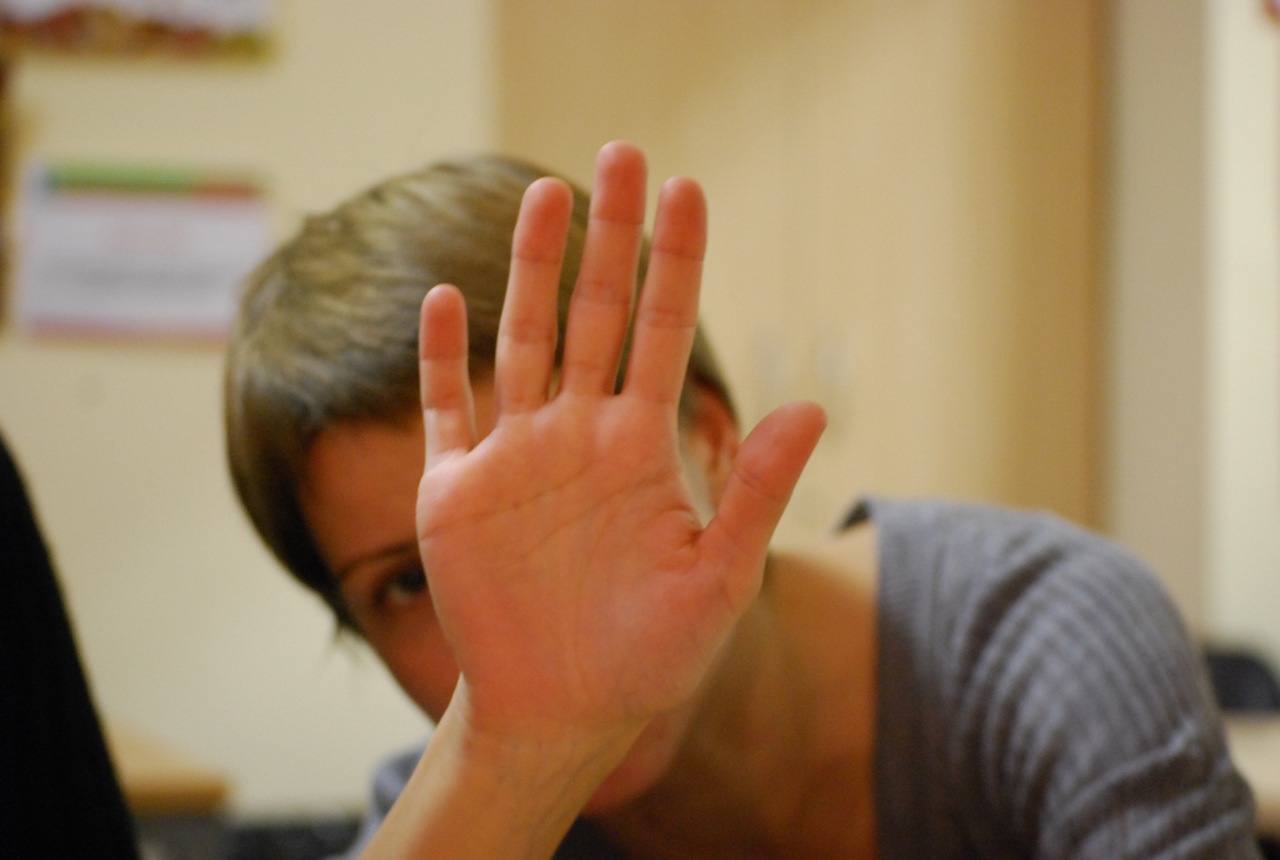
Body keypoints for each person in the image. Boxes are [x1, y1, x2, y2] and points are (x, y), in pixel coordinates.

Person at [224, 141, 1261, 859]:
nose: (523, 603)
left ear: (713, 441)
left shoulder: (1040, 640)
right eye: (410, 583)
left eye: (569, 508)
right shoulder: (466, 810)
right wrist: (511, 761)